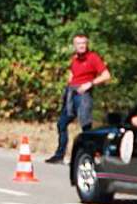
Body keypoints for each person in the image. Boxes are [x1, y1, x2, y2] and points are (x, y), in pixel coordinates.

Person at [46, 34, 111, 164]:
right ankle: (60, 155)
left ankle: (88, 156)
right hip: (72, 93)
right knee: (62, 123)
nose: (81, 46)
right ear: (74, 45)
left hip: (83, 94)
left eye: (83, 43)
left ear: (87, 44)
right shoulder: (74, 58)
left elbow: (106, 75)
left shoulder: (93, 57)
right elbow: (72, 73)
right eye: (78, 43)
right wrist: (68, 85)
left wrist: (90, 84)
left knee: (85, 126)